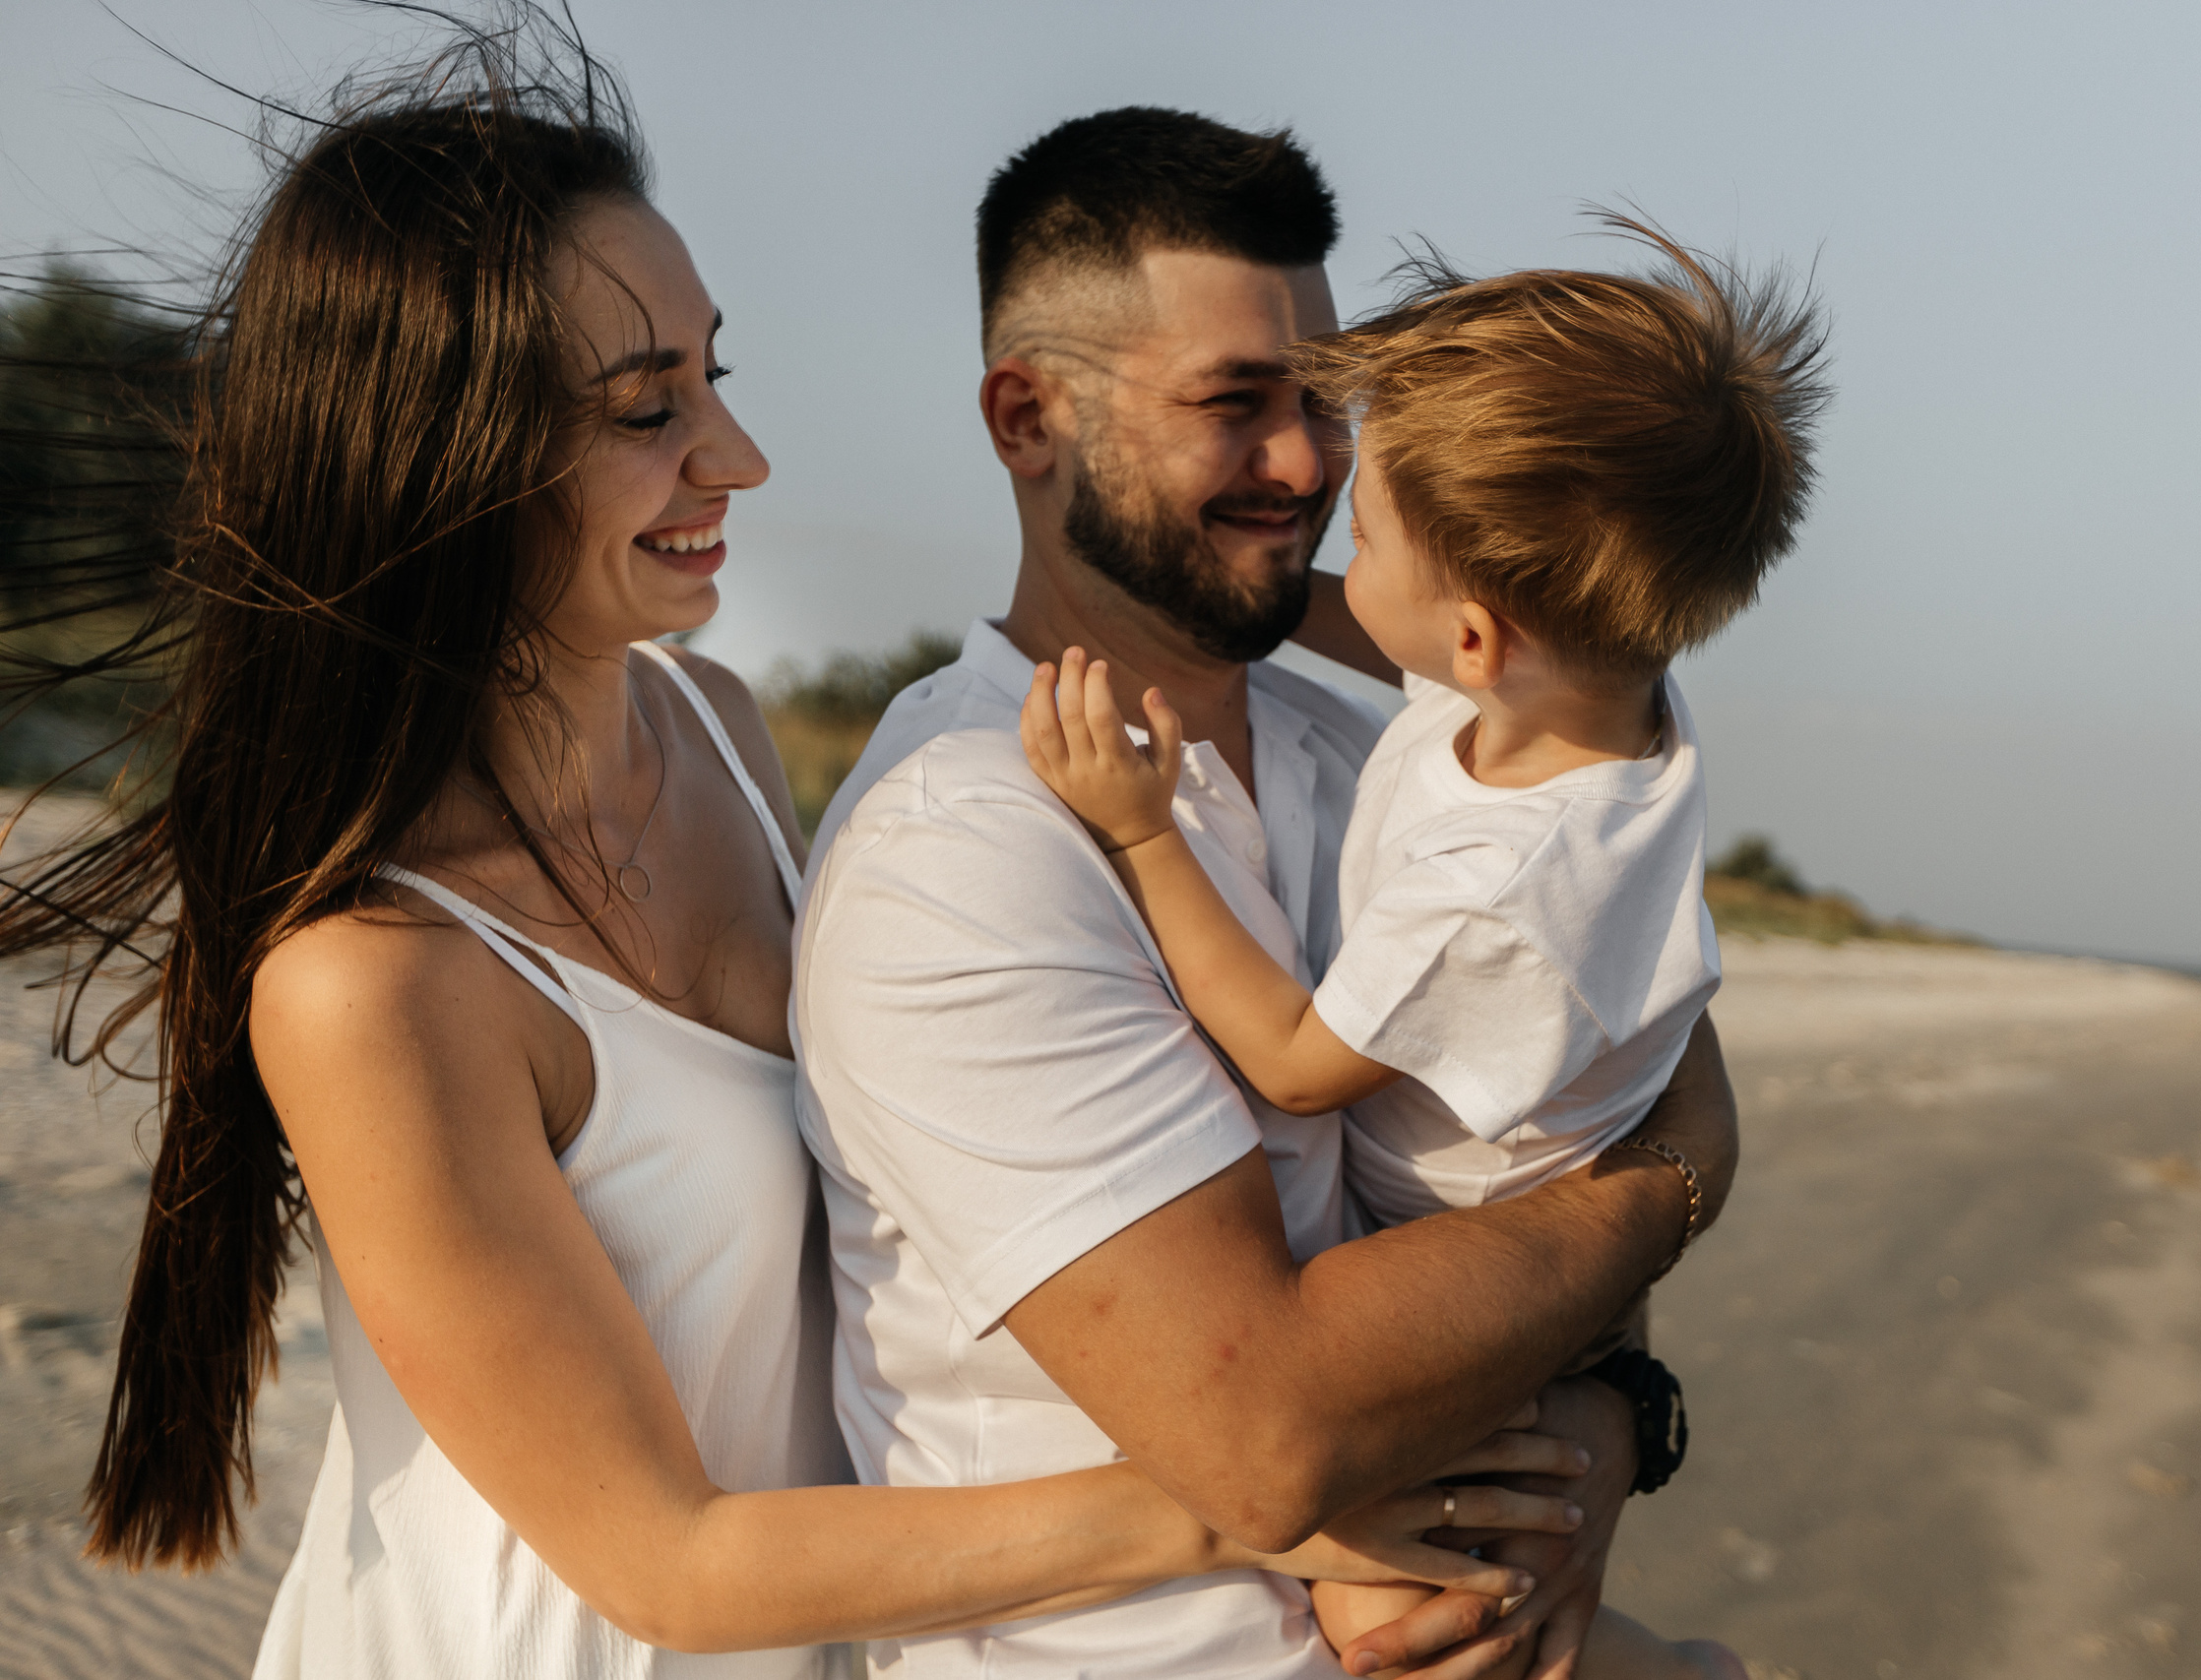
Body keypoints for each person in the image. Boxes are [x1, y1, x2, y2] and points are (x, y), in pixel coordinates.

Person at [0, 31, 1589, 1680]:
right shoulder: (370, 986)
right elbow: (667, 1563)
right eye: (645, 409)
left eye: (714, 375)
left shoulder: (720, 737)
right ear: (442, 459)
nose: (733, 457)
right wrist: (1249, 1496)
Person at [792, 108, 1746, 1680]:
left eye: (1323, 402)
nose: (1309, 461)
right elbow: (1272, 1435)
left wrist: (1600, 1427)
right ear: (1026, 417)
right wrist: (1679, 1182)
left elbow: (1572, 1088)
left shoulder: (1381, 746)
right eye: (1234, 404)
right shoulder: (960, 848)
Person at [1016, 224, 1830, 1673]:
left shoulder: (1496, 885)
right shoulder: (1600, 697)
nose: (1330, 526)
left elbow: (1294, 1058)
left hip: (1468, 1270)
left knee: (1399, 1619)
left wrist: (1144, 834)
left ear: (1473, 641)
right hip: (1555, 1199)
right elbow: (1387, 618)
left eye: (1367, 534)